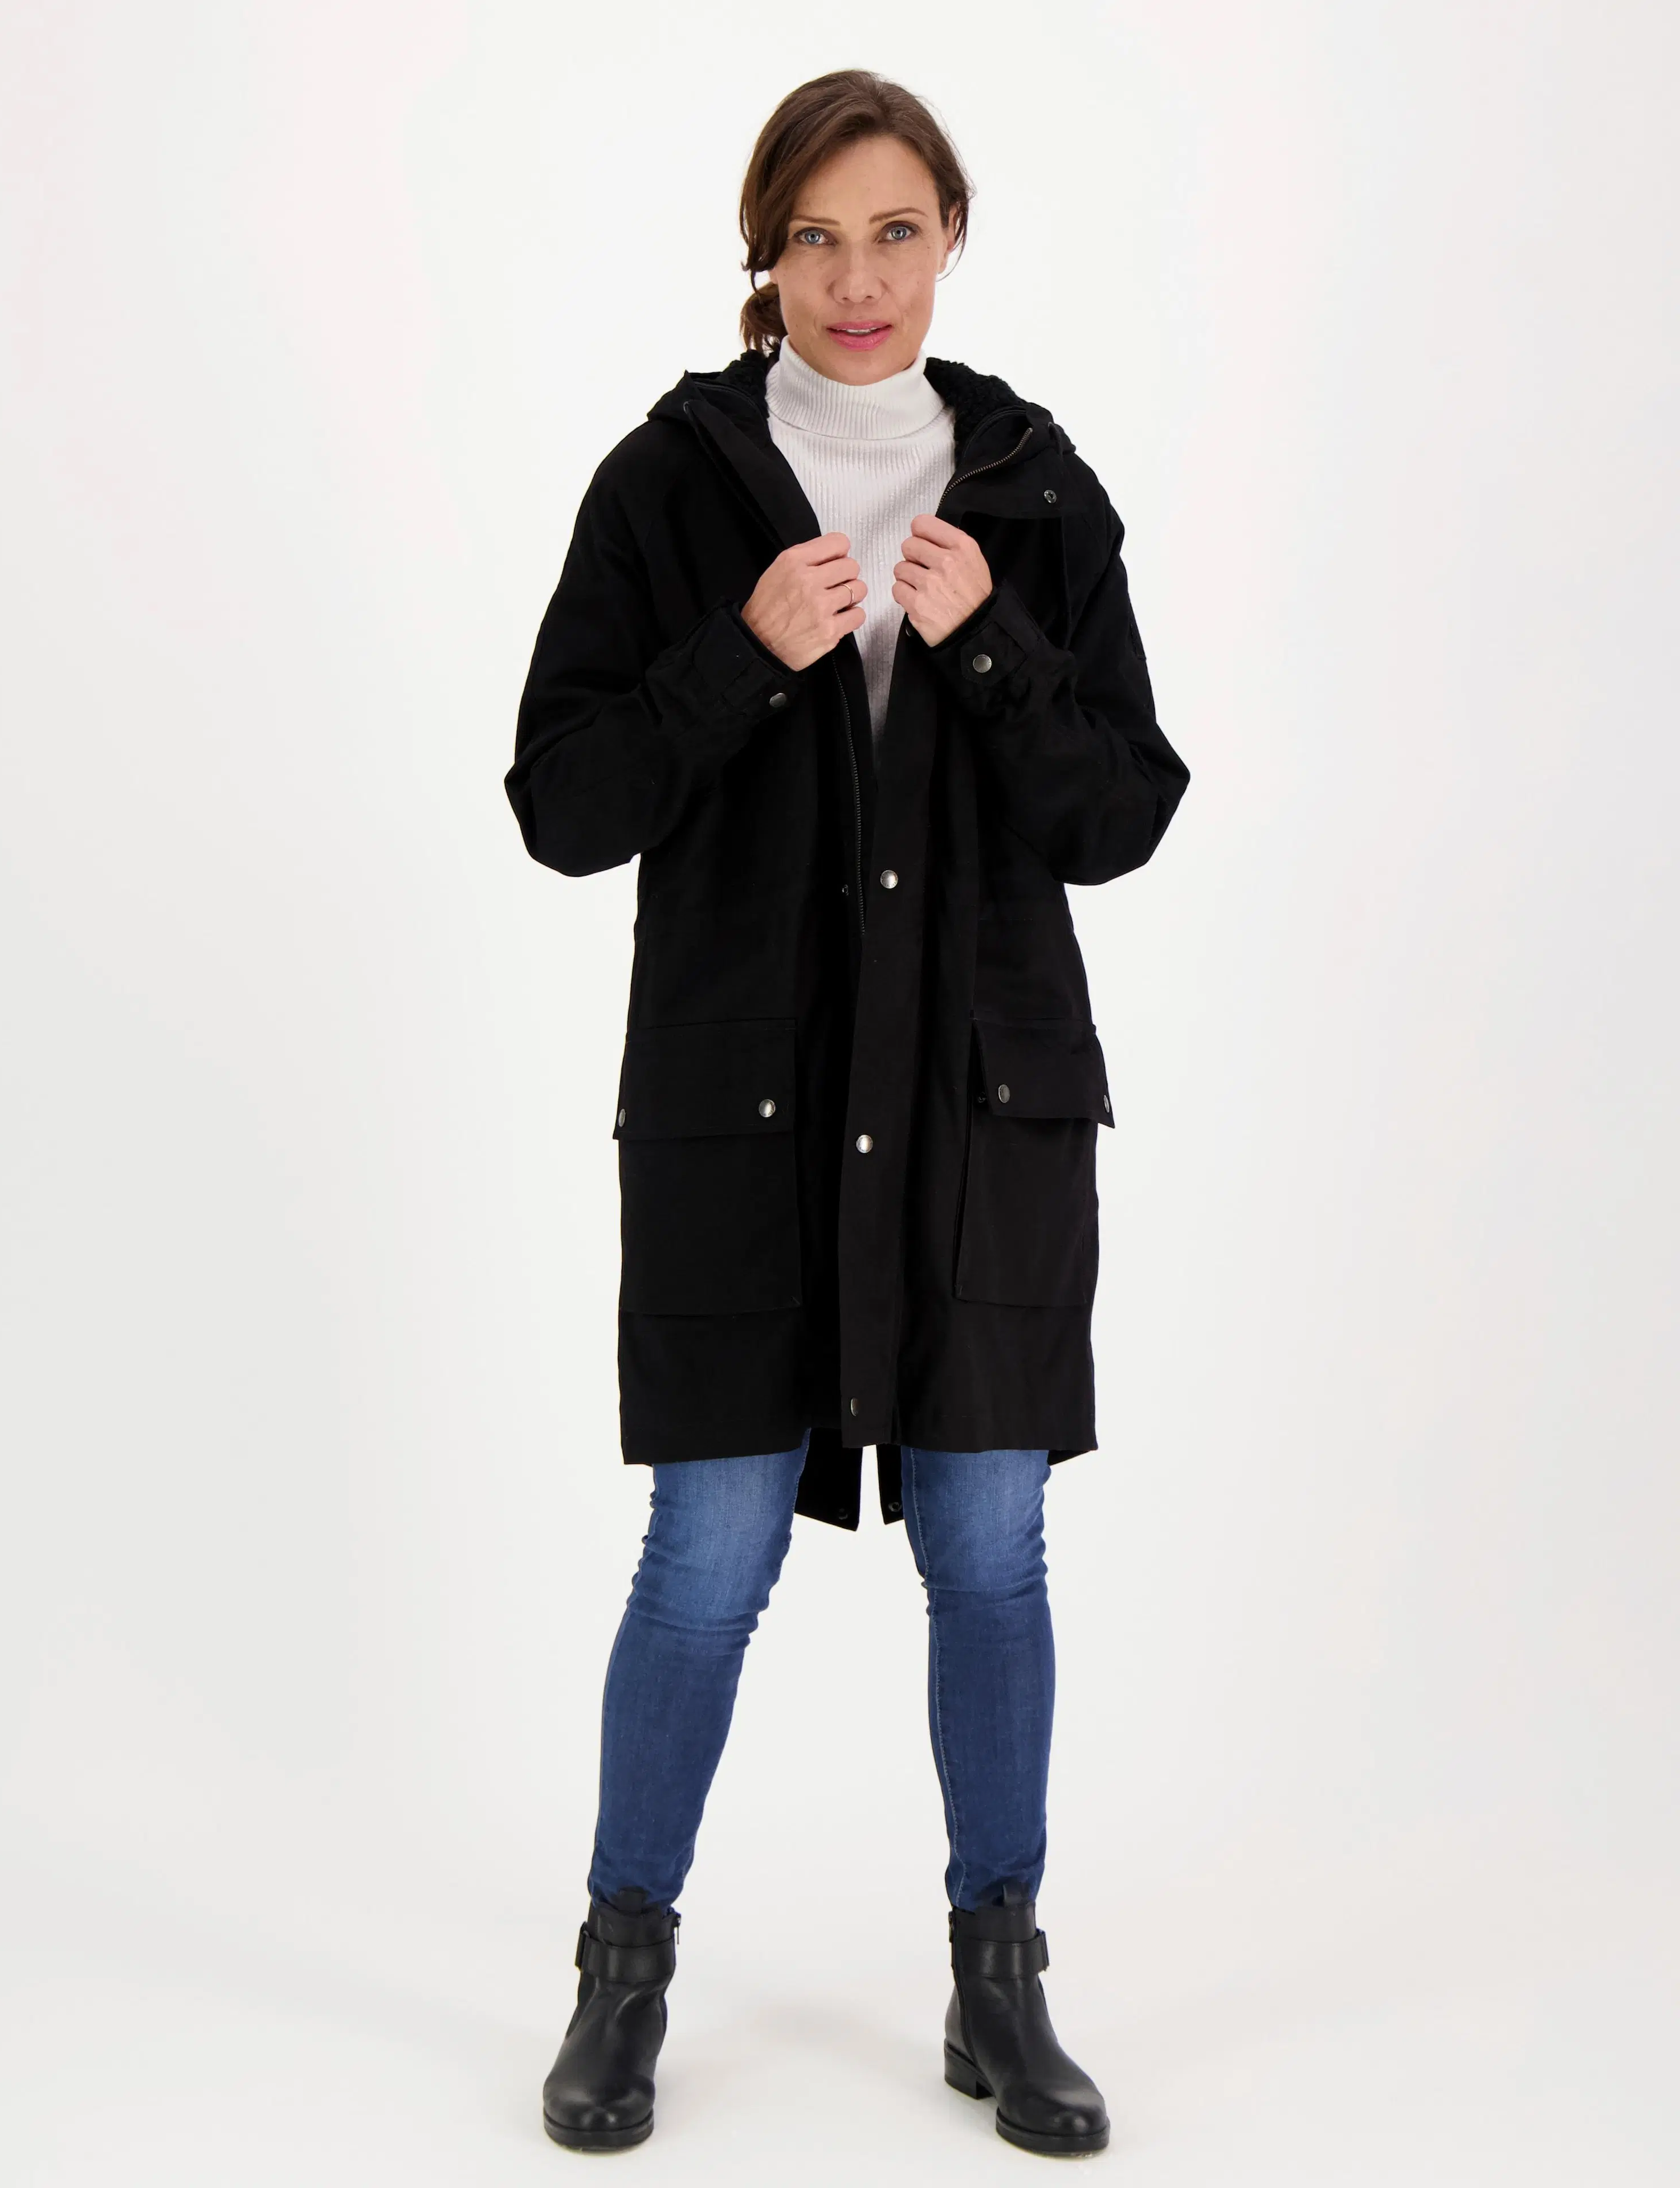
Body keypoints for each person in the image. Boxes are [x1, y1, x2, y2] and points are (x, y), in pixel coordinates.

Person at [505, 68, 1189, 2158]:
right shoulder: (669, 488)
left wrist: (989, 653)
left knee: (990, 1547)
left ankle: (1001, 1977)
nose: (857, 277)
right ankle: (623, 1970)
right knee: (708, 1551)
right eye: (815, 236)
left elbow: (1121, 815)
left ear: (950, 237)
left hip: (984, 1110)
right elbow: (562, 805)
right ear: (767, 257)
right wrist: (739, 655)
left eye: (894, 231)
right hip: (748, 1110)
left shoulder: (1039, 493)